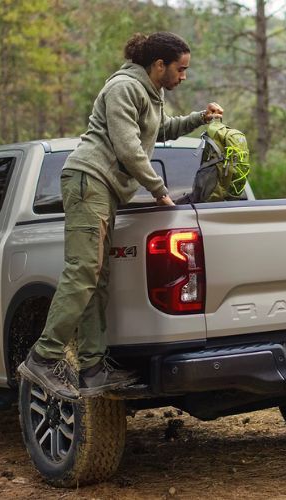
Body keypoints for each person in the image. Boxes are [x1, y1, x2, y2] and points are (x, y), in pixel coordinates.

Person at [18, 32, 224, 400]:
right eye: (180, 69)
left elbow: (159, 130)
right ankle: (43, 357)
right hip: (89, 180)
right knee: (83, 271)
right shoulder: (123, 88)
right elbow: (129, 147)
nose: (183, 76)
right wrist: (160, 190)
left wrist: (199, 118)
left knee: (97, 279)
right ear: (159, 65)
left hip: (105, 189)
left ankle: (93, 368)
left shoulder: (150, 92)